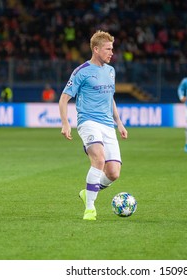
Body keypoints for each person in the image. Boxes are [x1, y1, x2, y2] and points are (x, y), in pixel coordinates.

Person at [59, 30, 128, 221]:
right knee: (98, 159)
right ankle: (90, 208)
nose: (111, 52)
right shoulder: (81, 72)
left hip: (108, 125)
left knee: (113, 173)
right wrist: (65, 123)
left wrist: (119, 123)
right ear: (96, 49)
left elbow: (110, 98)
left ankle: (87, 192)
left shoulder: (110, 71)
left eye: (112, 48)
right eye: (108, 49)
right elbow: (64, 99)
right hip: (88, 122)